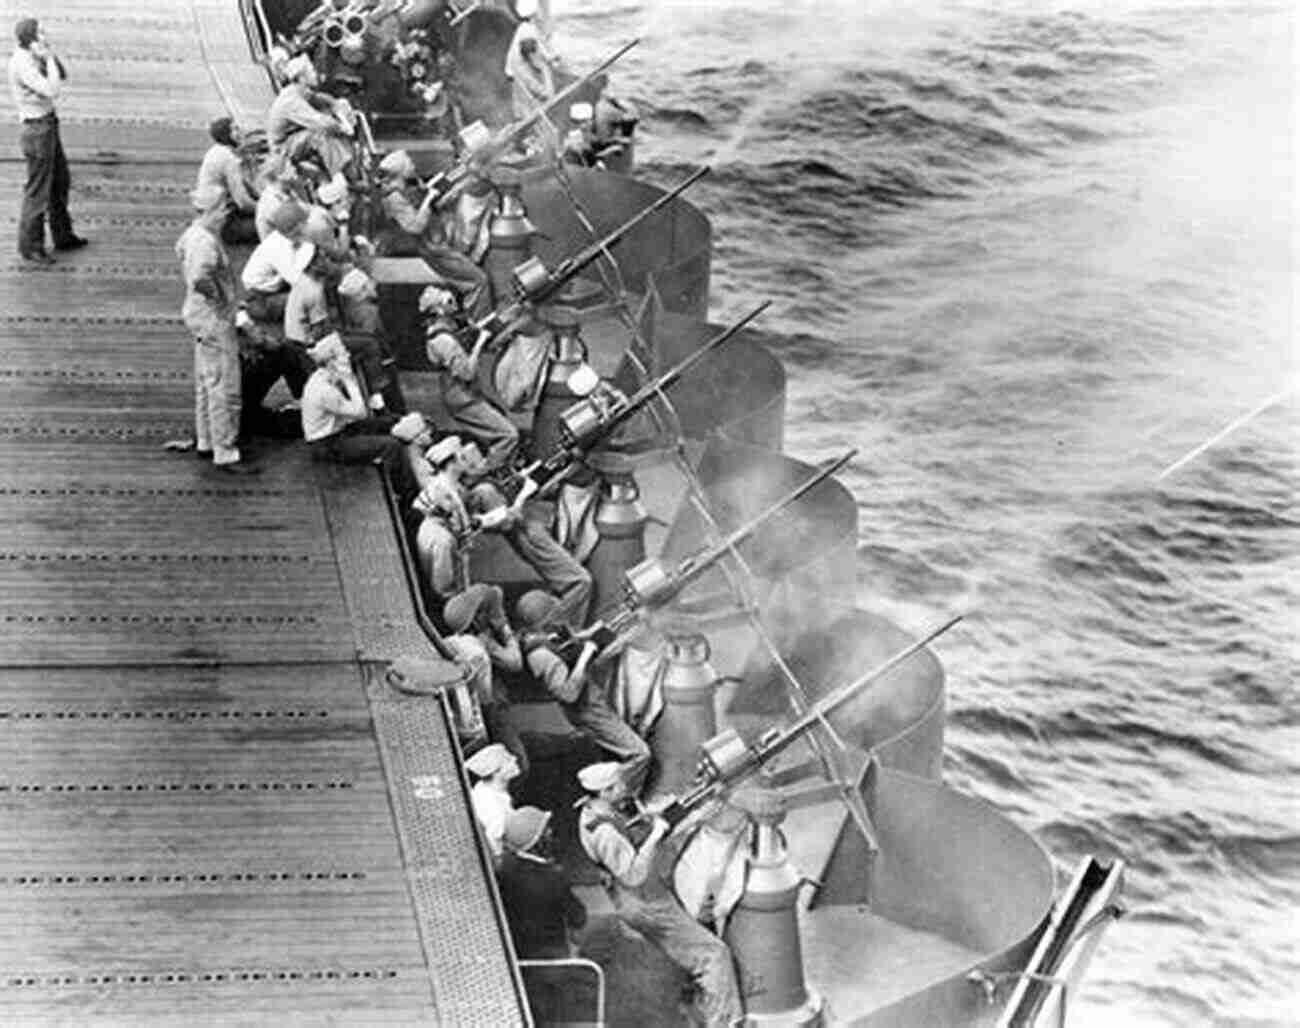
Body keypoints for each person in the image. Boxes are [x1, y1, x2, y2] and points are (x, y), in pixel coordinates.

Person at [576, 761, 742, 1028]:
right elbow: (633, 874)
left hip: (643, 895)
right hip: (644, 901)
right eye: (618, 784)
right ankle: (724, 1022)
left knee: (697, 922)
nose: (625, 787)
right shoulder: (604, 831)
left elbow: (636, 834)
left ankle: (697, 998)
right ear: (605, 791)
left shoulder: (595, 811)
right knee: (714, 955)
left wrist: (690, 817)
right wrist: (657, 832)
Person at [517, 590, 651, 778]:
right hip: (587, 709)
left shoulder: (541, 633)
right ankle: (615, 793)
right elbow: (568, 694)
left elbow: (566, 643)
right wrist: (588, 652)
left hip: (592, 694)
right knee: (640, 753)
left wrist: (588, 634)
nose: (559, 615)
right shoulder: (540, 656)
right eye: (554, 613)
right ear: (543, 621)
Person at [171, 185, 257, 475]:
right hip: (214, 320)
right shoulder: (206, 243)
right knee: (225, 387)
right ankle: (226, 450)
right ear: (209, 211)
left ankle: (207, 440)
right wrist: (223, 301)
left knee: (207, 382)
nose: (225, 216)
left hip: (198, 317)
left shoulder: (193, 234)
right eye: (222, 210)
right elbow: (200, 279)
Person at [375, 150, 490, 319]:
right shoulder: (394, 198)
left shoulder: (407, 186)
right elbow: (415, 226)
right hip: (435, 249)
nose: (413, 167)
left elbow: (434, 202)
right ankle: (480, 319)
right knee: (479, 281)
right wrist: (429, 199)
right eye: (409, 164)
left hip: (440, 238)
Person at [8, 17, 86, 265]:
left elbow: (61, 75)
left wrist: (49, 55)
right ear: (31, 39)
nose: (45, 34)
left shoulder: (34, 56)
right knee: (38, 190)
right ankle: (31, 246)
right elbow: (52, 89)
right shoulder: (23, 64)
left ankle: (63, 234)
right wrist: (48, 58)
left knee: (59, 181)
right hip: (37, 129)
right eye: (40, 32)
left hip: (48, 125)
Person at [300, 332, 415, 499]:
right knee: (391, 446)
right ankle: (406, 494)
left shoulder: (326, 377)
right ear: (331, 362)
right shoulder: (323, 390)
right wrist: (348, 378)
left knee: (388, 422)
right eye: (342, 355)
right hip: (328, 445)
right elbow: (360, 412)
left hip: (339, 431)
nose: (347, 356)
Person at [421, 285, 518, 470]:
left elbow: (467, 334)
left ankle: (498, 467)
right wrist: (480, 342)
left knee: (500, 417)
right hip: (462, 398)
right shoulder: (442, 340)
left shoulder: (446, 328)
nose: (454, 305)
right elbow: (467, 373)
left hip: (467, 394)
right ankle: (486, 474)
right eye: (448, 302)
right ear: (438, 310)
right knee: (508, 435)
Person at [497, 806, 586, 960]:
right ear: (537, 842)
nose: (551, 832)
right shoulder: (553, 878)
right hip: (551, 958)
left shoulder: (503, 869)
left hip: (513, 954)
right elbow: (578, 916)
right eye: (546, 831)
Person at [265, 54, 356, 176]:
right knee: (319, 134)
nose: (315, 74)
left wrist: (338, 105)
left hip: (295, 140)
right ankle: (346, 176)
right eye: (312, 71)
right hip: (282, 149)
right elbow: (321, 123)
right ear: (302, 78)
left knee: (330, 120)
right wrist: (342, 127)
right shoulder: (291, 100)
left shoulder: (302, 92)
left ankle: (351, 165)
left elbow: (323, 99)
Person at [196, 116, 258, 244]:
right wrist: (265, 209)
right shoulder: (228, 159)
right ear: (227, 135)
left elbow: (245, 185)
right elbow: (243, 202)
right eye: (235, 129)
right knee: (274, 225)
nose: (240, 133)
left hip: (210, 214)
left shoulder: (216, 151)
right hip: (222, 224)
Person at [465, 741, 521, 863]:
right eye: (508, 760)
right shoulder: (496, 811)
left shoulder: (483, 788)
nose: (514, 758)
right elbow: (495, 841)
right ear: (496, 772)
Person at [504, 0, 556, 124]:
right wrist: (545, 70)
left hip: (515, 70)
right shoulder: (528, 34)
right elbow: (533, 53)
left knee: (524, 98)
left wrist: (549, 56)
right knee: (537, 97)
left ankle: (523, 117)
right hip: (520, 71)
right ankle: (527, 121)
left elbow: (538, 46)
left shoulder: (525, 28)